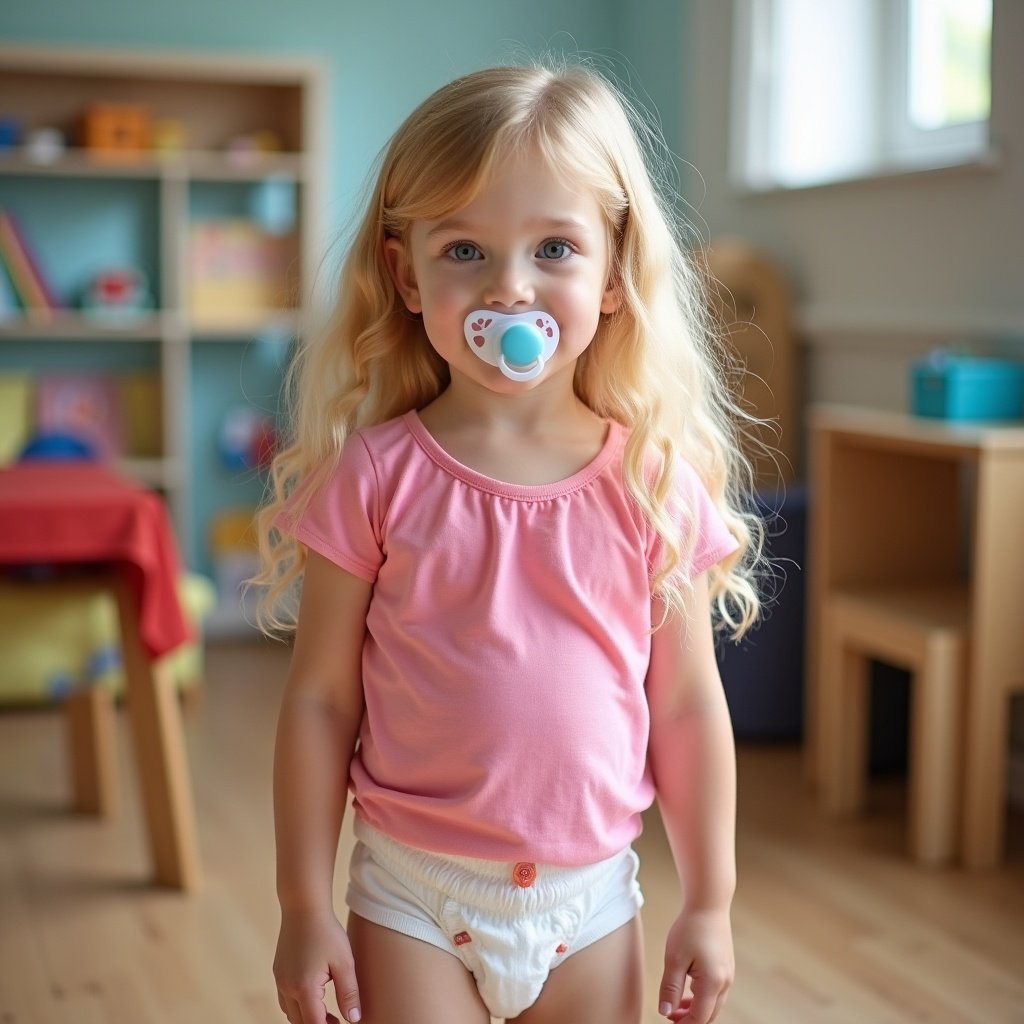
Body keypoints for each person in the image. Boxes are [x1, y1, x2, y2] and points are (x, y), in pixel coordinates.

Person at [253, 59, 763, 1024]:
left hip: (594, 902)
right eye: (465, 252)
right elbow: (319, 700)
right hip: (412, 893)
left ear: (614, 272)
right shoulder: (374, 477)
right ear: (406, 274)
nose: (511, 289)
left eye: (555, 248)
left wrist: (712, 901)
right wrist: (300, 905)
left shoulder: (653, 486)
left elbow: (689, 706)